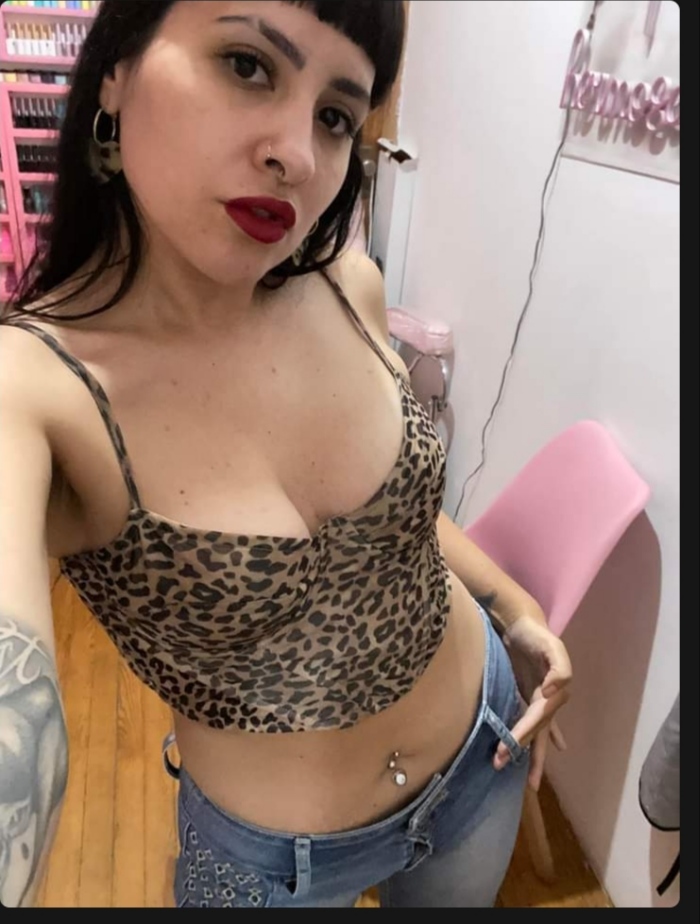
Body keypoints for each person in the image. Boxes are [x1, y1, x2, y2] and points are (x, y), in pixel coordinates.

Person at [0, 0, 572, 909]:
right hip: (272, 869)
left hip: (482, 753)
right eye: (247, 65)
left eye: (336, 115)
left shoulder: (349, 286)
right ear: (116, 71)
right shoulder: (36, 388)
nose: (298, 155)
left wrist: (513, 605)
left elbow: (393, 520)